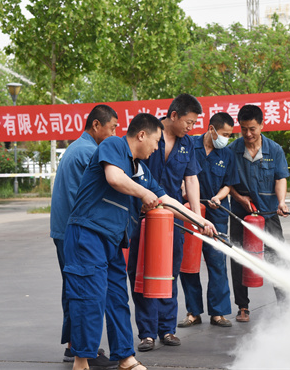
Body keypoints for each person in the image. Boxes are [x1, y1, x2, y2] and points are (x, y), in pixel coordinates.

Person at [63, 113, 215, 370]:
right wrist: (144, 194)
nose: (157, 148)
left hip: (112, 241)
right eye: (156, 142)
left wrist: (199, 221)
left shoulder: (141, 170)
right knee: (89, 299)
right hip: (87, 235)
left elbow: (166, 200)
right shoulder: (114, 145)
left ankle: (126, 358)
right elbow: (114, 178)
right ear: (141, 135)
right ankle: (81, 361)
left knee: (117, 299)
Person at [127, 93, 203, 352]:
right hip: (142, 217)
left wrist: (196, 217)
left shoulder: (188, 143)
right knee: (142, 272)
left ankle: (167, 329)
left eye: (194, 123)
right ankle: (147, 333)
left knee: (170, 272)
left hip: (172, 218)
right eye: (189, 122)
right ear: (173, 115)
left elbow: (191, 179)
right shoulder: (149, 134)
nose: (191, 127)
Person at [49, 104, 118, 364]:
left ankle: (73, 346)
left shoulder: (76, 147)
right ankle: (82, 350)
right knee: (84, 290)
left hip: (64, 229)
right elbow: (108, 188)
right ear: (96, 125)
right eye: (112, 128)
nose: (114, 134)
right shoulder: (89, 152)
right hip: (75, 232)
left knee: (73, 287)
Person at [227, 104, 290, 323]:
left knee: (277, 255)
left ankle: (284, 304)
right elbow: (227, 182)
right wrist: (238, 198)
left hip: (269, 212)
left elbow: (280, 178)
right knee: (239, 257)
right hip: (240, 214)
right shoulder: (232, 150)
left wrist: (281, 202)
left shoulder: (275, 150)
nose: (248, 134)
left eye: (252, 129)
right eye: (243, 129)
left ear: (262, 125)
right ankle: (242, 306)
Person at [178, 112, 238, 329]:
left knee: (217, 261)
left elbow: (228, 185)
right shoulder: (188, 145)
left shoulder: (227, 154)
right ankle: (193, 312)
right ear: (211, 129)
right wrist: (183, 189)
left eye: (229, 135)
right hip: (190, 212)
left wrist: (218, 197)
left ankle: (218, 312)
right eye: (224, 134)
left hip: (216, 213)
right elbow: (180, 174)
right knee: (189, 262)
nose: (226, 139)